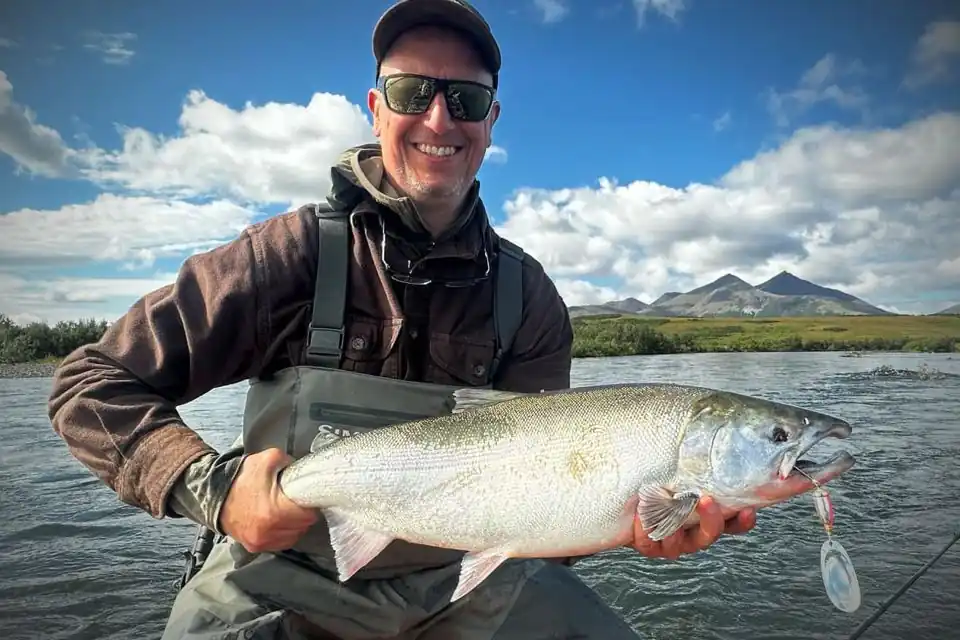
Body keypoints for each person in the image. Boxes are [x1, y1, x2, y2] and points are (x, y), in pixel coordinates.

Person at [47, 0, 756, 637]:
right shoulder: (288, 257)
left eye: (466, 98)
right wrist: (215, 491)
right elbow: (90, 383)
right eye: (412, 92)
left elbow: (550, 505)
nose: (439, 119)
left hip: (470, 584)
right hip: (281, 574)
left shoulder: (529, 297)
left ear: (492, 121)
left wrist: (640, 525)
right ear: (377, 109)